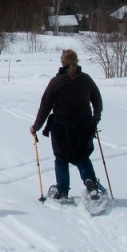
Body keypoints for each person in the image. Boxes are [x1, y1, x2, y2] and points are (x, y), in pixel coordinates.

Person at [30, 48, 105, 201]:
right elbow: (97, 101)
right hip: (84, 124)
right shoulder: (86, 79)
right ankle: (90, 182)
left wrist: (36, 127)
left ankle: (63, 190)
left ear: (62, 62)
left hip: (61, 125)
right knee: (82, 154)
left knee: (61, 157)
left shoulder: (56, 81)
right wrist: (95, 119)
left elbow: (45, 105)